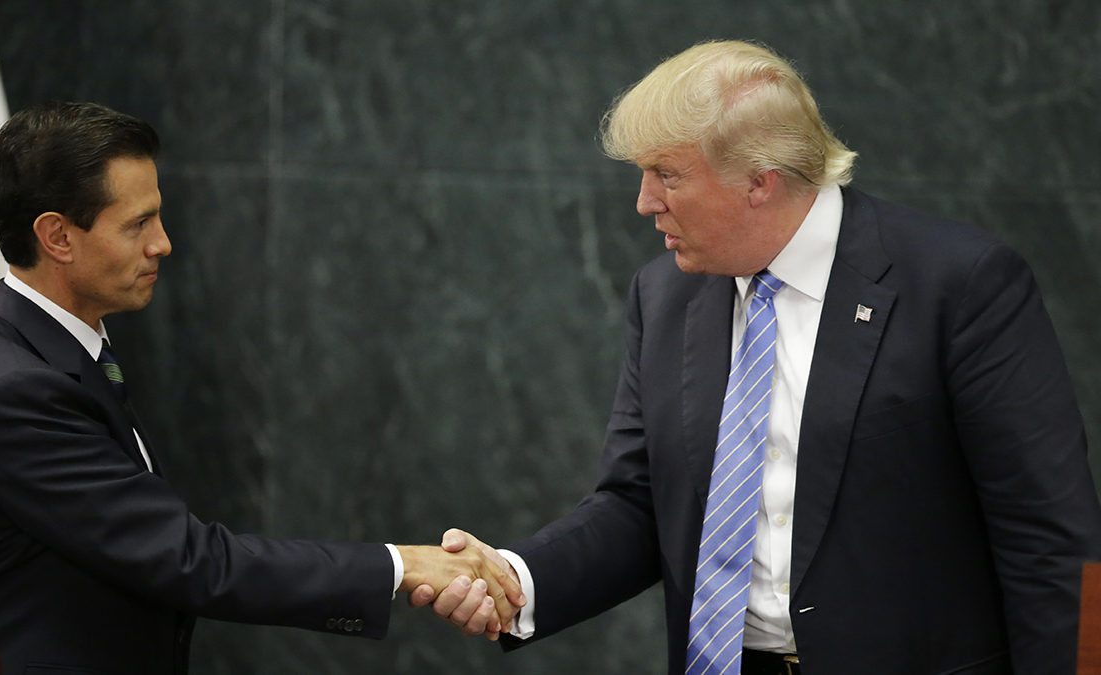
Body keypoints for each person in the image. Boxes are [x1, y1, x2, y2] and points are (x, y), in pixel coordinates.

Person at [421, 40, 1101, 674]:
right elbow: (640, 504)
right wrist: (519, 578)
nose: (644, 202)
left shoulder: (961, 284)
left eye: (667, 175)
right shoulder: (664, 296)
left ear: (759, 181)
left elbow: (1053, 542)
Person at [0, 101, 522, 675]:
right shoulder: (16, 393)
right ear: (58, 237)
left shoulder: (50, 356)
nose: (163, 242)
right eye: (138, 224)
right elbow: (190, 562)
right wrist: (400, 564)